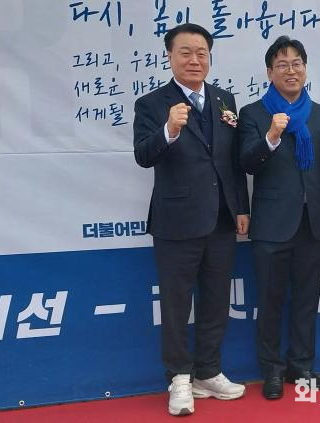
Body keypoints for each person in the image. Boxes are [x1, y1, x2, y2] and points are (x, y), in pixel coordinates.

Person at [133, 23, 248, 416]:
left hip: (221, 219)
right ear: (169, 56)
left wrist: (241, 207)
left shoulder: (224, 99)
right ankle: (179, 377)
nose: (194, 60)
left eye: (201, 52)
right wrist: (169, 129)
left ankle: (208, 372)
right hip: (176, 221)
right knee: (176, 304)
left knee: (216, 300)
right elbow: (143, 155)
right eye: (185, 52)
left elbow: (232, 162)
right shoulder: (152, 104)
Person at [238, 36, 320, 400]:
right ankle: (272, 370)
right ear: (269, 72)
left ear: (305, 69)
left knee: (306, 300)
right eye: (282, 64)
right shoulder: (253, 114)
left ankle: (301, 366)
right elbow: (247, 163)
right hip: (272, 224)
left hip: (313, 222)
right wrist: (271, 136)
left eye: (297, 63)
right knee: (270, 301)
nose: (291, 70)